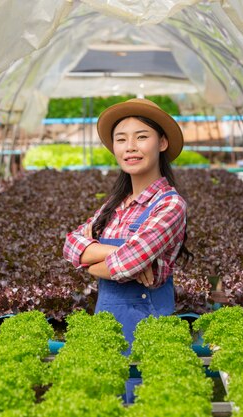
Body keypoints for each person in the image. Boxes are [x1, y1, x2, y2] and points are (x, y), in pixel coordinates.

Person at [63, 98, 191, 403]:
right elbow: (70, 246)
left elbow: (123, 264)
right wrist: (118, 255)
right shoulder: (114, 206)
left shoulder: (170, 204)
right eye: (121, 139)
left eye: (141, 137)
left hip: (147, 325)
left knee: (141, 400)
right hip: (106, 323)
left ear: (162, 143)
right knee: (108, 402)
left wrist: (94, 255)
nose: (130, 146)